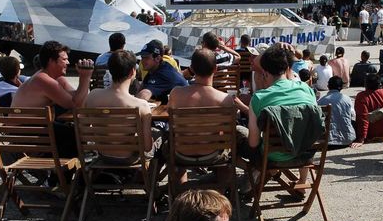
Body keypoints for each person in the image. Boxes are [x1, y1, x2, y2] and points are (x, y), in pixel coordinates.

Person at [168, 48, 248, 185]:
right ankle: (221, 191)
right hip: (212, 153)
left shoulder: (176, 93)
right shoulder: (225, 99)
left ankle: (180, 191)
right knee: (231, 148)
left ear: (192, 68)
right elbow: (227, 134)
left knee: (167, 145)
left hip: (181, 153)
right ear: (216, 69)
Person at [246, 45, 321, 185]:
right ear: (287, 69)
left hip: (274, 157)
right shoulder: (306, 88)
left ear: (265, 73)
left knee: (243, 139)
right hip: (306, 152)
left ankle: (252, 184)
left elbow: (253, 143)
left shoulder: (259, 98)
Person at [12, 41, 94, 157]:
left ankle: (66, 171)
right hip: (24, 134)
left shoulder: (56, 78)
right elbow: (75, 104)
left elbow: (77, 98)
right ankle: (63, 173)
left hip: (35, 129)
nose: (68, 62)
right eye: (64, 59)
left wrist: (84, 77)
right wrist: (85, 77)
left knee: (73, 132)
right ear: (51, 61)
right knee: (75, 135)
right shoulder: (43, 80)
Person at [84, 50, 155, 160]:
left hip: (103, 157)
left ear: (110, 70)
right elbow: (147, 147)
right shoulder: (142, 105)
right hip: (128, 159)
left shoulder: (92, 96)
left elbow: (84, 131)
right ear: (132, 72)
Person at [353, 73, 383, 148]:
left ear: (365, 84)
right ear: (379, 84)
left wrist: (361, 138)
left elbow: (363, 118)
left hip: (371, 133)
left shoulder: (362, 96)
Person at [317, 76, 356, 147]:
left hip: (328, 140)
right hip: (347, 138)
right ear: (341, 87)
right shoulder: (347, 99)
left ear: (328, 86)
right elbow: (353, 116)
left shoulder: (322, 100)